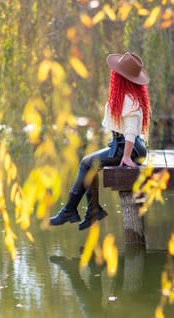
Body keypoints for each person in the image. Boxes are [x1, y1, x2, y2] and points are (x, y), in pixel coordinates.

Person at [49, 52, 151, 230]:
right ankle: (89, 211)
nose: (113, 74)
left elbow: (130, 131)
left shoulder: (130, 100)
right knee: (89, 163)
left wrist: (126, 157)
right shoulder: (128, 95)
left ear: (120, 77)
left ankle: (72, 211)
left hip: (129, 148)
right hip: (128, 146)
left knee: (86, 163)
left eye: (116, 72)